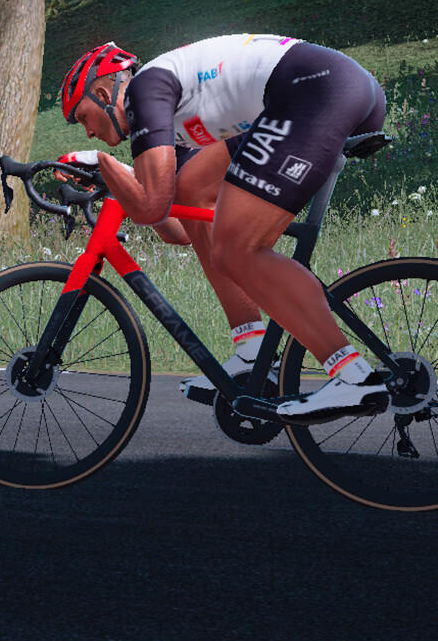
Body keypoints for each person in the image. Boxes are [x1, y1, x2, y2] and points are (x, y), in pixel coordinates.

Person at [58, 35, 390, 424]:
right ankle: (251, 352)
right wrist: (121, 178)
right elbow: (178, 224)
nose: (88, 132)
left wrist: (101, 163)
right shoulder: (167, 107)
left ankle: (353, 377)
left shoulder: (145, 91)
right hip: (326, 88)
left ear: (102, 91)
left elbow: (150, 206)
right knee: (193, 189)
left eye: (83, 117)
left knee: (238, 251)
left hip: (316, 91)